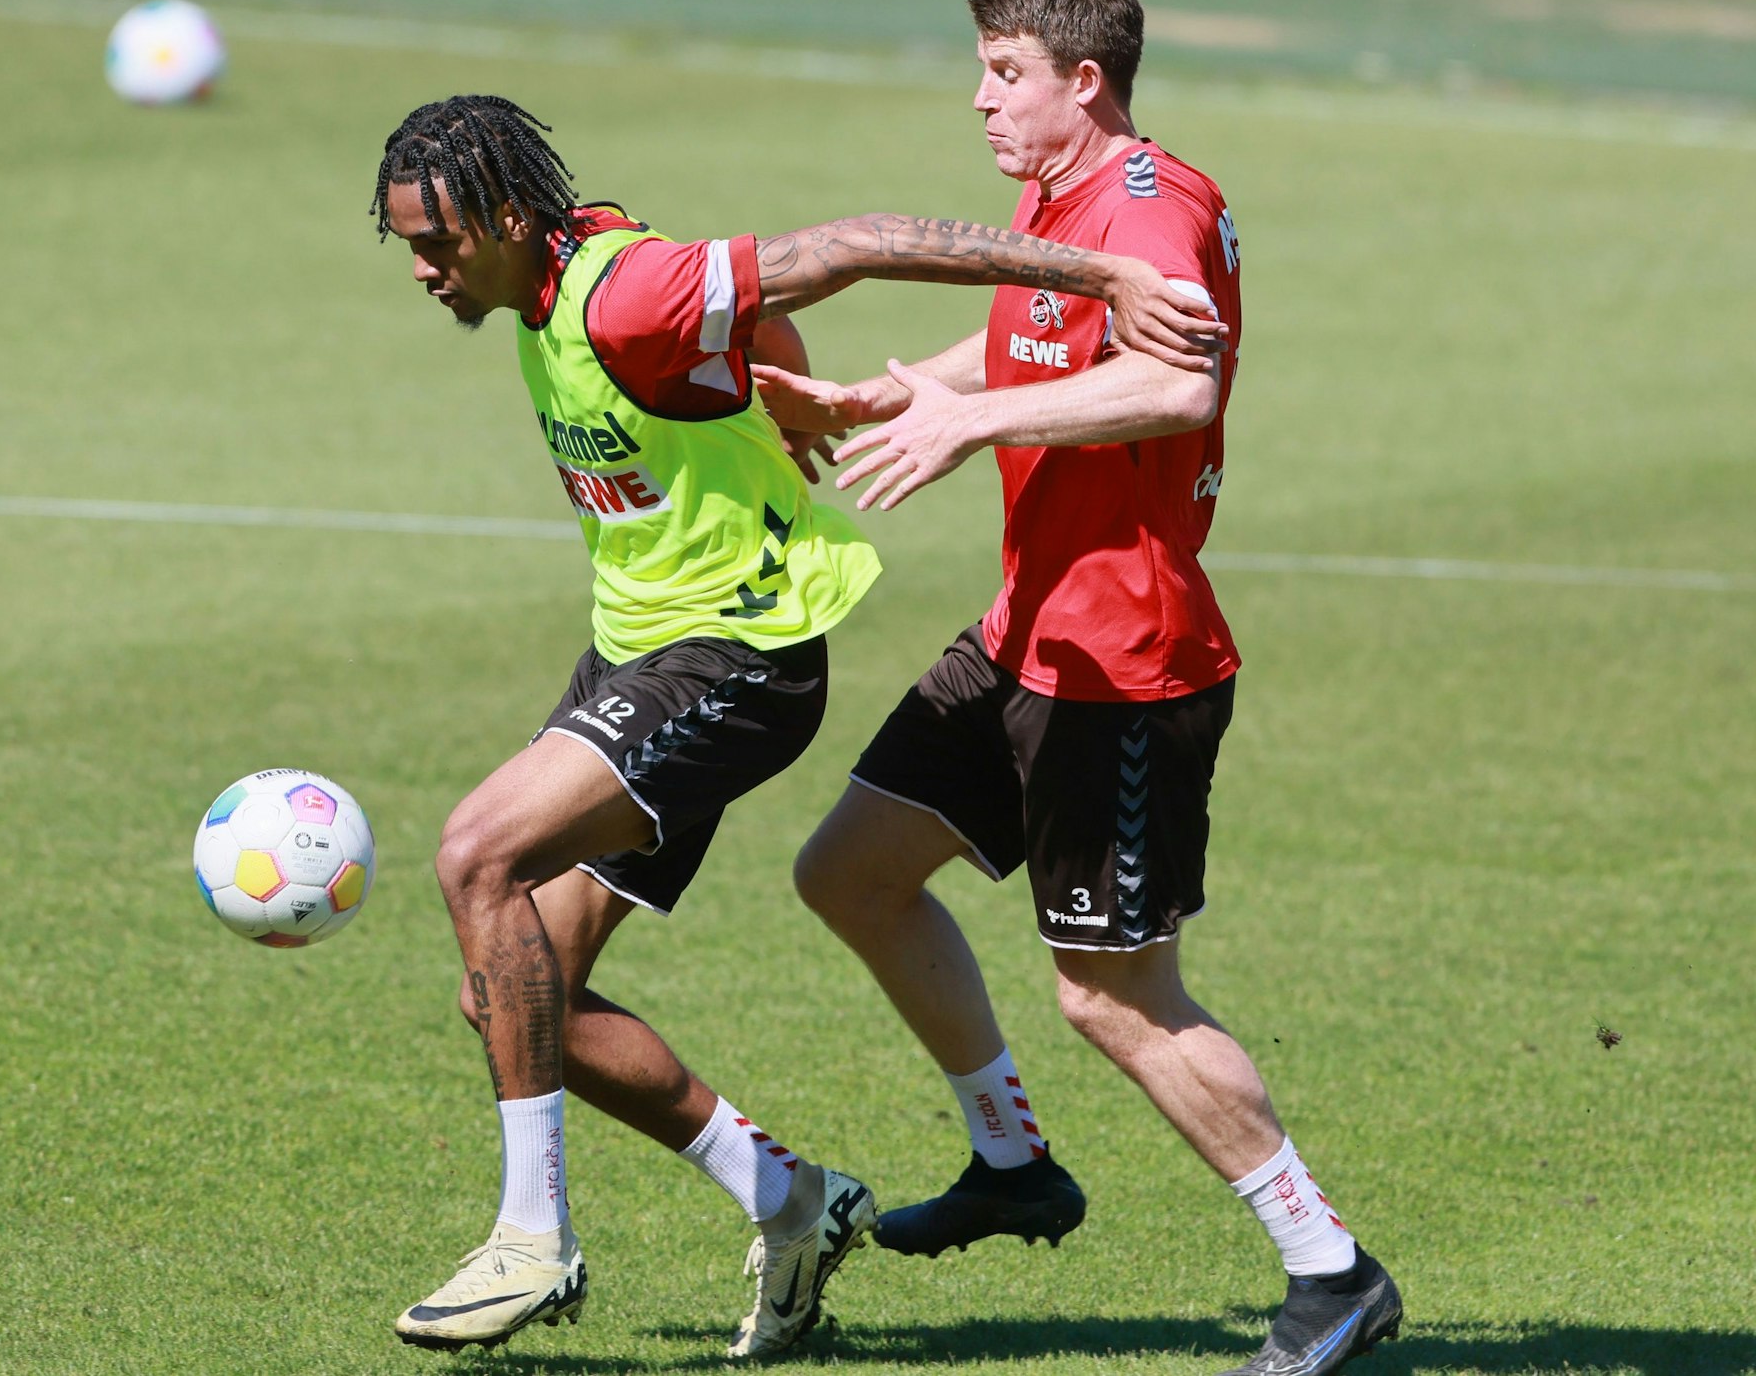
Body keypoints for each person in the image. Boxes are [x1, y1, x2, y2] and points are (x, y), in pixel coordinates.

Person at [367, 94, 1226, 1358]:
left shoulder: (628, 292)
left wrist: (1098, 272)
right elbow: (739, 327)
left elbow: (859, 241)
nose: (424, 271)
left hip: (734, 660)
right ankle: (790, 1200)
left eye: (437, 243)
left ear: (503, 219)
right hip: (633, 656)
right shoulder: (564, 276)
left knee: (472, 855)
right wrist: (763, 388)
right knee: (513, 989)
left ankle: (530, 1238)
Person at [766, 0, 1404, 1376]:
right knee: (850, 872)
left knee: (1112, 994)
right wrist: (882, 395)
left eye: (1005, 75)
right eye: (981, 71)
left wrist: (969, 427)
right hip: (1027, 632)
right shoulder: (1062, 201)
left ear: (1085, 79)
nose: (981, 100)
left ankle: (1332, 1270)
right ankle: (1012, 1164)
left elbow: (1178, 379)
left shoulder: (1149, 204)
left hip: (1121, 663)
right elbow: (1031, 341)